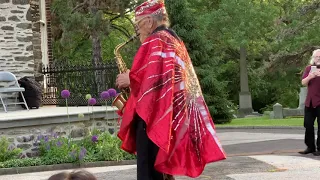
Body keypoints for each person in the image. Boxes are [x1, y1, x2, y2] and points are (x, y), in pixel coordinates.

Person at [116, 0, 226, 179]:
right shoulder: (173, 40)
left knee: (148, 173)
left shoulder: (156, 41)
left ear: (150, 21)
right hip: (169, 116)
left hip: (153, 118)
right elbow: (164, 78)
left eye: (139, 23)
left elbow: (155, 82)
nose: (137, 30)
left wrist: (130, 79)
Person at [299, 49, 320, 156]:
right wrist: (310, 76)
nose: (318, 59)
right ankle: (310, 147)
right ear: (313, 58)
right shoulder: (309, 68)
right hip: (310, 102)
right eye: (317, 57)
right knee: (308, 124)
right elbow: (303, 82)